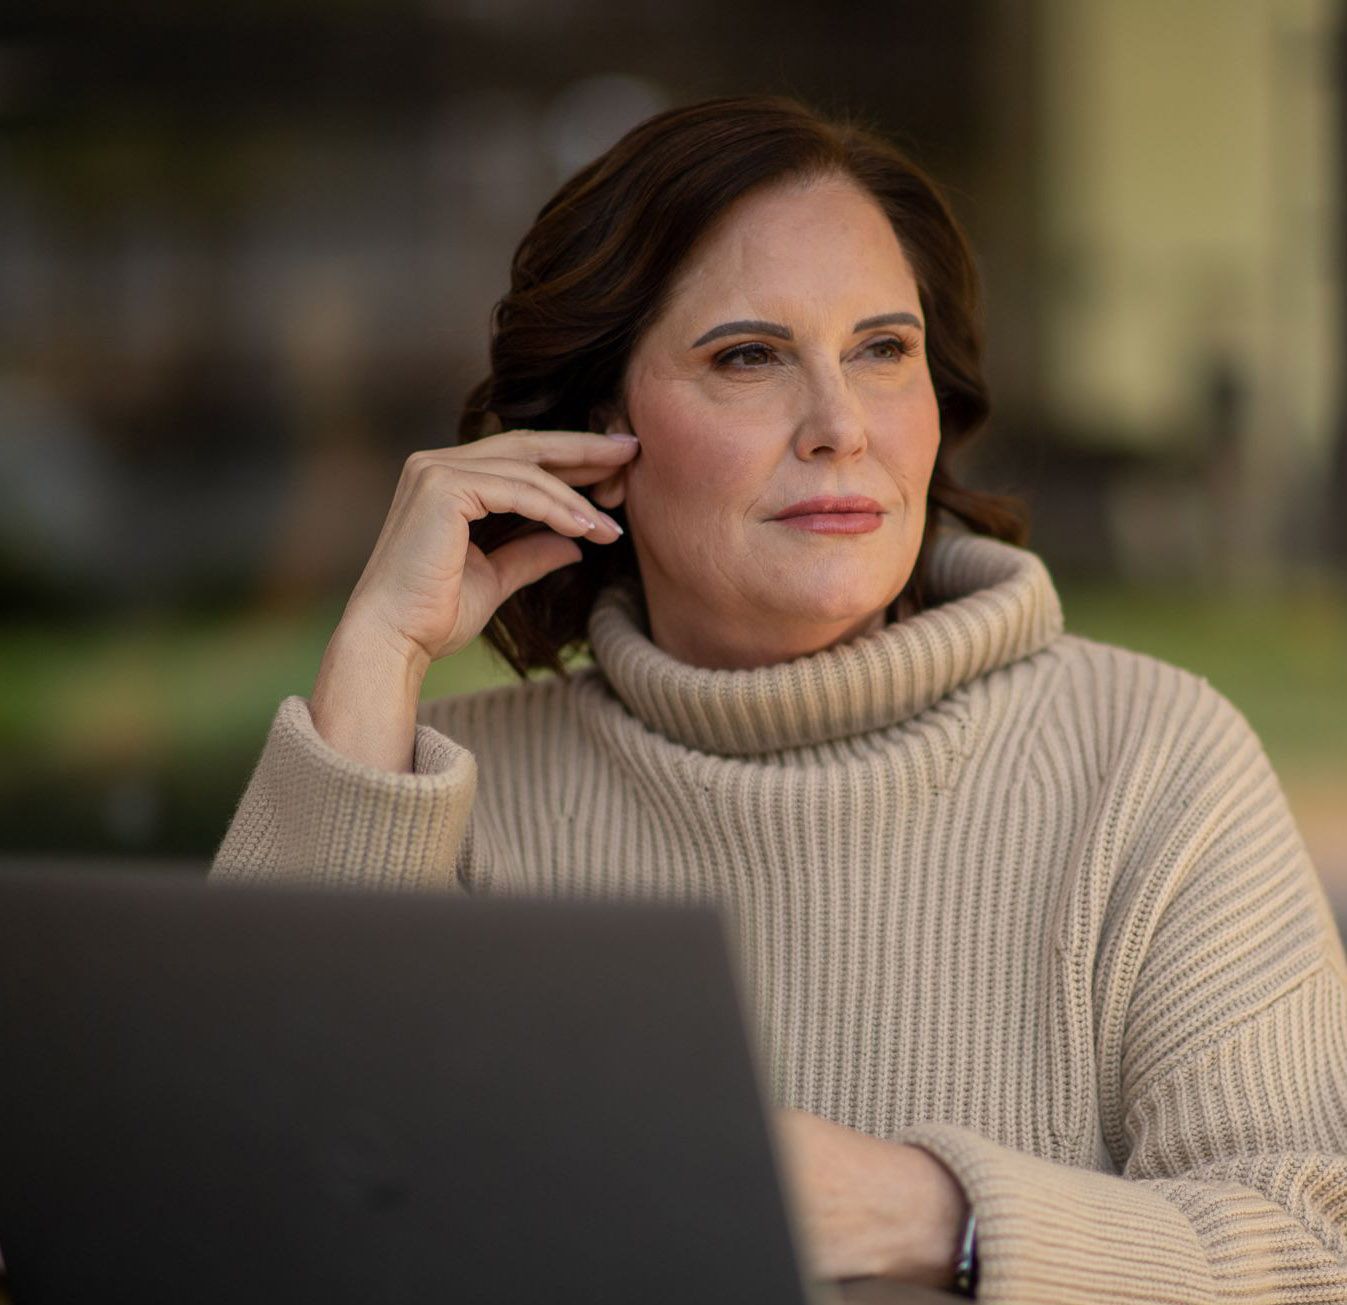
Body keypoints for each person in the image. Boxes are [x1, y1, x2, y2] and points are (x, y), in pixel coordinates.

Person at [211, 95, 1347, 1302]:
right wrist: (378, 655)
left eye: (883, 350)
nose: (841, 426)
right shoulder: (451, 798)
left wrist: (929, 1216)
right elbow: (215, 1209)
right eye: (749, 356)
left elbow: (1312, 1250)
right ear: (601, 431)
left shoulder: (1150, 759)